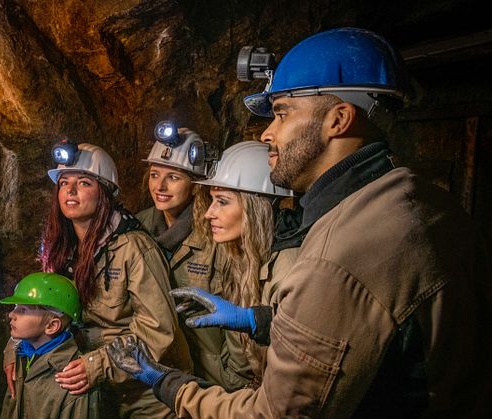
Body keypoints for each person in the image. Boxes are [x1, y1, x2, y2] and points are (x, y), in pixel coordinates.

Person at [107, 27, 492, 418]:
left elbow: (276, 414)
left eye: (282, 112)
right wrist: (260, 320)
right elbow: (370, 333)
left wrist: (168, 384)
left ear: (338, 119)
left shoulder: (339, 252)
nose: (268, 133)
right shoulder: (421, 200)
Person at [40, 142, 192, 418]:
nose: (70, 191)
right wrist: (16, 346)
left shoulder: (134, 248)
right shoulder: (61, 247)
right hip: (97, 390)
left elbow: (158, 330)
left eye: (84, 183)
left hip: (146, 396)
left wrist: (97, 365)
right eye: (64, 183)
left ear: (105, 192)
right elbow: (42, 303)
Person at [135, 128, 254, 390]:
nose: (160, 186)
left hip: (211, 376)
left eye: (173, 177)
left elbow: (238, 313)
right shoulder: (138, 228)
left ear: (195, 184)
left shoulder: (217, 234)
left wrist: (235, 380)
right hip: (160, 368)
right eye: (154, 175)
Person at [181, 140, 299, 385]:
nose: (208, 213)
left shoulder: (289, 267)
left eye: (222, 201)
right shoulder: (243, 258)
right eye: (212, 200)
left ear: (256, 207)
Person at [0, 272, 99, 419]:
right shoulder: (22, 357)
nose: (11, 314)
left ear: (52, 326)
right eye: (15, 307)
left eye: (23, 310)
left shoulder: (72, 379)